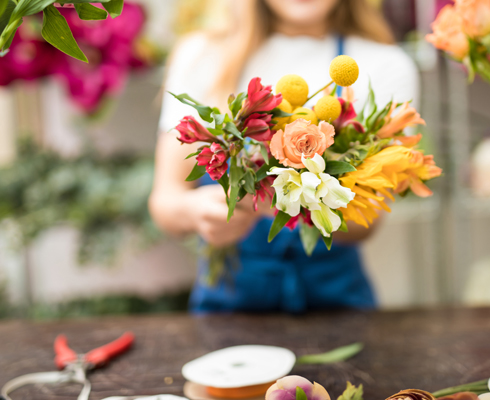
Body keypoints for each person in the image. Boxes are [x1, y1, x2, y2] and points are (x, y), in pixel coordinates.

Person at [149, 0, 420, 313]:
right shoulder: (202, 55)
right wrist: (196, 211)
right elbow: (165, 201)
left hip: (336, 299)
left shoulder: (383, 65)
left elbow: (367, 222)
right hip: (228, 305)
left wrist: (292, 203)